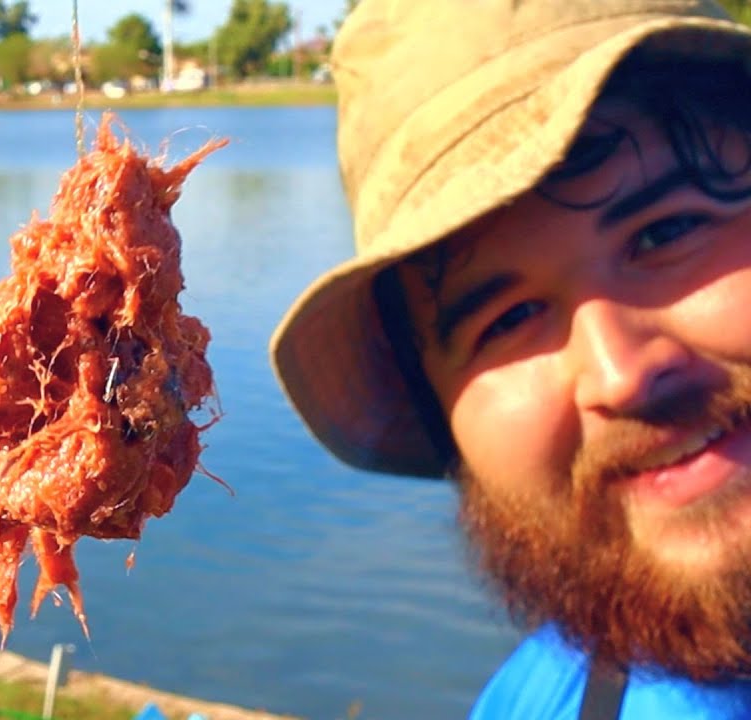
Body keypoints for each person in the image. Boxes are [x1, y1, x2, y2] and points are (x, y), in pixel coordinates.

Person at [269, 1, 751, 718]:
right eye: (510, 320)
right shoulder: (539, 701)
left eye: (668, 230)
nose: (620, 373)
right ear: (438, 410)